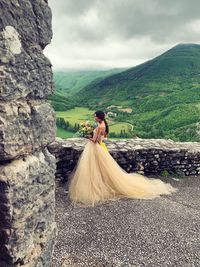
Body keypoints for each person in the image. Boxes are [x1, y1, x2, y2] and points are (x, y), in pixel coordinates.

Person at [68, 110, 177, 207]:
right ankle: (99, 184)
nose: (94, 117)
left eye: (95, 116)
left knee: (95, 167)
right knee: (99, 169)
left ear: (99, 117)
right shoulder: (102, 124)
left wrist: (87, 136)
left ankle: (98, 187)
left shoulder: (101, 126)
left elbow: (96, 140)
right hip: (97, 148)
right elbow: (103, 137)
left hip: (95, 148)